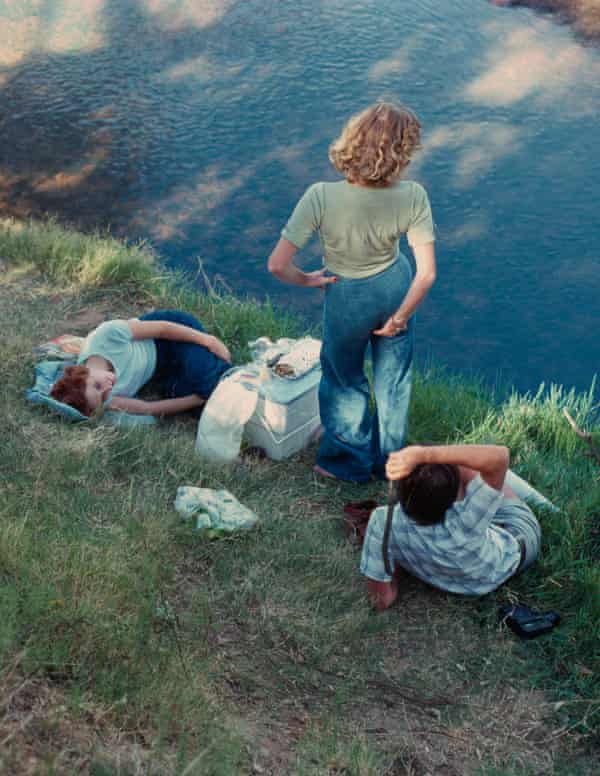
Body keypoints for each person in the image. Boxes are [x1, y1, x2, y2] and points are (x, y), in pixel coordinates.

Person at [268, 102, 436, 482]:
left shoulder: (320, 196)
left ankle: (347, 463)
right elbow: (426, 275)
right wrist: (399, 318)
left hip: (347, 297)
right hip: (396, 288)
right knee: (392, 382)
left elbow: (277, 265)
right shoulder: (413, 196)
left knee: (345, 379)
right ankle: (392, 465)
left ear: (352, 141)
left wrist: (308, 280)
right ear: (402, 152)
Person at [360, 444, 542, 609]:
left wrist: (396, 563)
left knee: (458, 469)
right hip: (518, 537)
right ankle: (551, 508)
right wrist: (427, 454)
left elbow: (381, 601)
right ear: (454, 498)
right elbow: (500, 456)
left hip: (465, 570)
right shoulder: (466, 516)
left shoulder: (382, 520)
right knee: (467, 466)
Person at [50, 310, 232, 417]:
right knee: (201, 408)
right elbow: (149, 408)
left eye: (97, 385)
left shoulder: (106, 337)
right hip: (162, 370)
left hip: (167, 337)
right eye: (102, 396)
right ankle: (225, 389)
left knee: (201, 376)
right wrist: (198, 398)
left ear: (83, 372)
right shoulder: (100, 399)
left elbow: (163, 329)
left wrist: (209, 341)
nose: (107, 388)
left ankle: (237, 377)